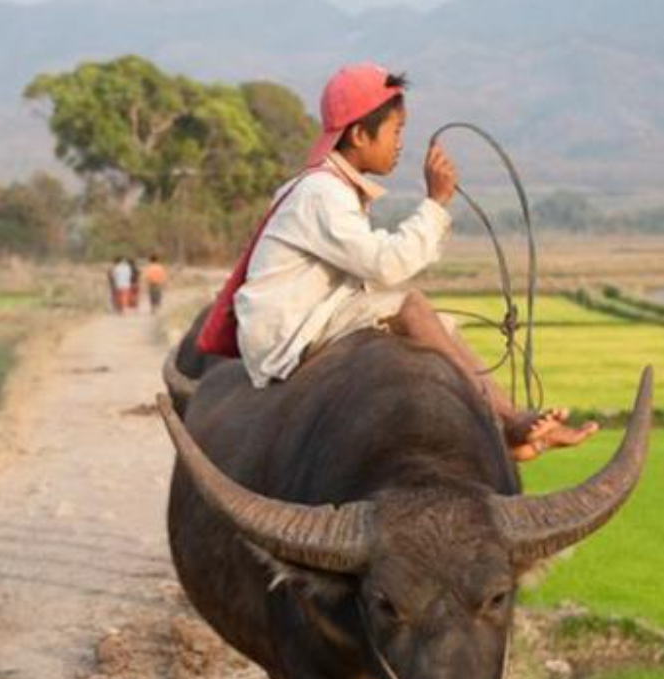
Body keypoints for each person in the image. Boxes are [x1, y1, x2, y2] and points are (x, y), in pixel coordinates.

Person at [231, 63, 595, 461]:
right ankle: (507, 421)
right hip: (289, 333)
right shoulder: (321, 192)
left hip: (313, 316)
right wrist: (436, 202)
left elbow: (373, 259)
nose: (400, 143)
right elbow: (386, 264)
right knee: (410, 306)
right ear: (358, 133)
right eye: (396, 130)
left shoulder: (332, 190)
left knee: (436, 324)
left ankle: (507, 423)